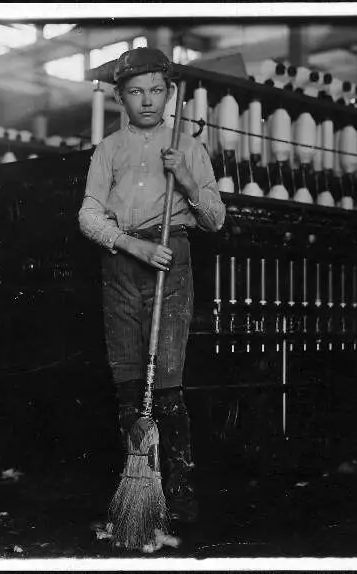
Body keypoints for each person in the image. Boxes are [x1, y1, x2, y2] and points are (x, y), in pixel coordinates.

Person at [78, 47, 226, 522]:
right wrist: (130, 245)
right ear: (121, 97)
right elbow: (88, 215)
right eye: (136, 91)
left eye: (156, 90)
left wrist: (184, 178)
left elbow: (215, 220)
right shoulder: (108, 149)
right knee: (126, 383)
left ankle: (178, 493)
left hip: (172, 259)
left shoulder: (191, 148)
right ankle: (137, 490)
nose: (147, 100)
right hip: (123, 262)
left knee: (165, 384)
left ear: (170, 93)